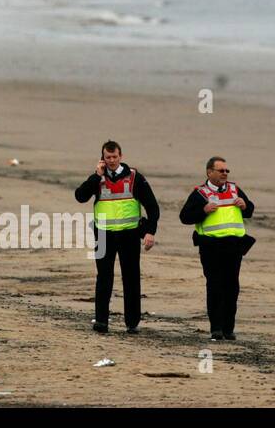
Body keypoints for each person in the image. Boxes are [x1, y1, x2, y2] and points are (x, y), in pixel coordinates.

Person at [74, 140, 159, 334]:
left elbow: (152, 207)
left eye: (114, 157)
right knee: (104, 277)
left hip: (129, 234)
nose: (111, 160)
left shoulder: (135, 178)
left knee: (131, 277)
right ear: (102, 159)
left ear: (121, 156)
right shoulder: (98, 179)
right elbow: (80, 196)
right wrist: (96, 176)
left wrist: (150, 231)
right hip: (103, 235)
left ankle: (132, 323)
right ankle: (102, 321)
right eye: (107, 157)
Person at [179, 156, 256, 341]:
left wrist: (245, 206)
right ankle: (216, 329)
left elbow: (250, 210)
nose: (225, 174)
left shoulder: (235, 189)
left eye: (227, 171)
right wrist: (203, 211)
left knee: (232, 287)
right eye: (221, 171)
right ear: (209, 172)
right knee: (214, 286)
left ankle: (229, 329)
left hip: (234, 246)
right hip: (210, 247)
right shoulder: (200, 193)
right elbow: (185, 217)